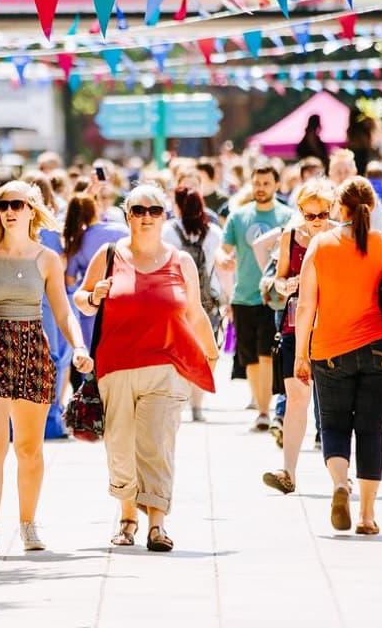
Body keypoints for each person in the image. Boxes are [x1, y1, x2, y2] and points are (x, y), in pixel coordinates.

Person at [75, 185, 218, 553]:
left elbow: (194, 312)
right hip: (115, 366)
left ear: (164, 215)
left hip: (165, 366)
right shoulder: (109, 255)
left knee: (157, 443)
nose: (146, 217)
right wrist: (94, 296)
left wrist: (210, 352)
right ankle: (127, 516)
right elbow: (81, 298)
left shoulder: (180, 261)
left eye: (154, 210)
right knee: (120, 446)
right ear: (127, 216)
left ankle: (157, 523)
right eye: (138, 210)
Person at [0, 181, 92, 558]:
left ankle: (29, 524)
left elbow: (63, 311)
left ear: (32, 209)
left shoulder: (47, 258)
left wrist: (78, 345)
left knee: (30, 448)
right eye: (3, 205)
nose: (9, 211)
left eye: (17, 204)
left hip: (33, 349)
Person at [293, 178, 382, 534]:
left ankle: (339, 484)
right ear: (373, 207)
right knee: (370, 430)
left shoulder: (320, 245)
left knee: (333, 426)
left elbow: (305, 306)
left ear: (339, 208)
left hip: (330, 349)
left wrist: (301, 354)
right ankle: (366, 515)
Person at [260, 180, 335, 492]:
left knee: (333, 405)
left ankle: (339, 478)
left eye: (322, 215)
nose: (316, 222)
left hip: (332, 328)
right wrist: (286, 285)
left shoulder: (338, 235)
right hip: (294, 328)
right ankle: (288, 471)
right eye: (310, 216)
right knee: (297, 399)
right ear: (300, 211)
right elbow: (276, 281)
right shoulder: (290, 236)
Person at [224, 162, 293, 431]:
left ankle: (265, 410)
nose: (261, 188)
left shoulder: (288, 216)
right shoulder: (238, 216)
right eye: (257, 183)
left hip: (273, 297)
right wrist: (224, 259)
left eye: (266, 183)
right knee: (250, 357)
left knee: (267, 353)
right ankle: (262, 408)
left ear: (276, 185)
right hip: (243, 296)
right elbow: (224, 248)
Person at [164, 186, 224, 423]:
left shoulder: (169, 232)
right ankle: (197, 404)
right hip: (206, 299)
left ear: (178, 206)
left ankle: (179, 397)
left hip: (175, 299)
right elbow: (218, 270)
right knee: (202, 351)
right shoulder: (214, 233)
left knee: (177, 350)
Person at [63, 193, 130, 340]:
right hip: (120, 299)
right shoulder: (121, 230)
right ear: (95, 209)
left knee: (94, 355)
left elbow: (70, 279)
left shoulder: (77, 241)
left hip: (90, 304)